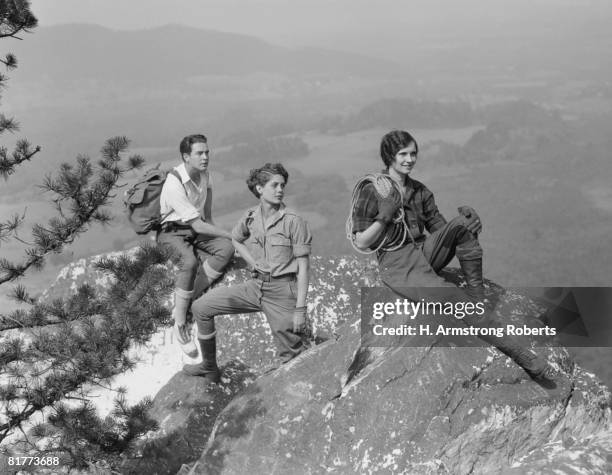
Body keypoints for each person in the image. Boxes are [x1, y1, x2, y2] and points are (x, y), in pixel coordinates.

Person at [349, 129, 556, 384]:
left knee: (461, 225)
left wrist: (466, 227)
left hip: (424, 252)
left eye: (413, 153)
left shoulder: (419, 191)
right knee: (455, 298)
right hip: (398, 264)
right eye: (403, 154)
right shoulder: (373, 190)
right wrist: (384, 216)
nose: (409, 159)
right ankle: (526, 359)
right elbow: (361, 240)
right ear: (389, 156)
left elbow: (440, 229)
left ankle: (478, 302)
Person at [183, 163, 312, 382]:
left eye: (282, 185)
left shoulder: (294, 221)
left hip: (283, 292)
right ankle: (209, 366)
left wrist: (300, 309)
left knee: (292, 357)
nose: (280, 189)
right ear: (259, 189)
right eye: (274, 185)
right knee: (200, 307)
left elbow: (304, 266)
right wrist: (252, 262)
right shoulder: (251, 216)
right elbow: (235, 238)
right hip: (255, 287)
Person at [158, 134, 234, 357]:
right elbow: (200, 226)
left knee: (226, 249)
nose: (205, 157)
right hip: (170, 231)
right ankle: (180, 323)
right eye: (199, 153)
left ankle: (188, 299)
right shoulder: (174, 183)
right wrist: (231, 234)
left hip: (193, 229)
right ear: (186, 157)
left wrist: (226, 240)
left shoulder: (205, 176)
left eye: (207, 152)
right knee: (189, 263)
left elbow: (207, 218)